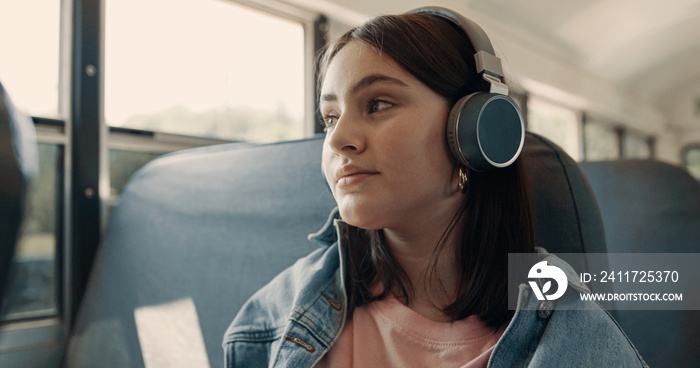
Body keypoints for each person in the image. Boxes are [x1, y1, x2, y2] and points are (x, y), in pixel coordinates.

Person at [223, 7, 647, 368]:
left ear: (477, 131)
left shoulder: (565, 326)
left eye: (378, 104)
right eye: (330, 117)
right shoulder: (285, 306)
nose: (336, 140)